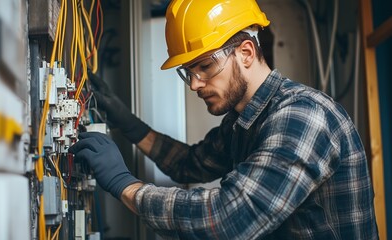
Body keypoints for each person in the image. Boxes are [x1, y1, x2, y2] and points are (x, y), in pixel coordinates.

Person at [69, 0, 379, 239]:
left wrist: (126, 186)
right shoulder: (242, 121)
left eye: (204, 66)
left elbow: (230, 220)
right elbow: (189, 163)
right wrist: (129, 124)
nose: (194, 84)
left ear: (245, 53)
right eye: (188, 72)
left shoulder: (303, 116)